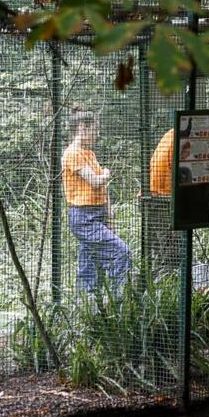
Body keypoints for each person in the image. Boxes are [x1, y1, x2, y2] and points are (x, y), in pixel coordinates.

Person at [143, 106, 209, 272]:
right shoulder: (194, 139)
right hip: (164, 199)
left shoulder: (178, 131)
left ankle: (157, 290)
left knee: (160, 254)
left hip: (152, 196)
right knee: (172, 255)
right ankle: (165, 292)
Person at [63, 110, 130, 292]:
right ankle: (120, 301)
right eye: (95, 129)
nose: (97, 134)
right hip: (84, 218)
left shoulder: (89, 154)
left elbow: (101, 188)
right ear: (82, 128)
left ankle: (87, 309)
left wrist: (109, 216)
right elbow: (95, 181)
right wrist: (106, 174)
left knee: (89, 267)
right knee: (121, 252)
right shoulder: (72, 153)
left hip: (98, 214)